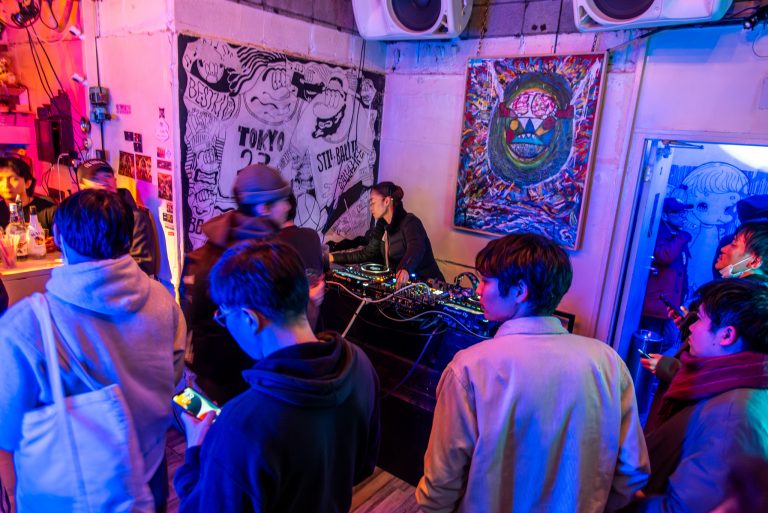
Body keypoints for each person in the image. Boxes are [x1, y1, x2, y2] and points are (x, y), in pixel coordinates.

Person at [416, 233, 649, 513]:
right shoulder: (609, 363)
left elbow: (441, 484)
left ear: (519, 291)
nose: (478, 291)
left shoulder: (469, 369)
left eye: (486, 281)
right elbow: (633, 471)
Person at [0, 189, 186, 512]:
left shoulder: (25, 325)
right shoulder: (163, 300)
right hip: (148, 471)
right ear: (128, 237)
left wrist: (14, 497)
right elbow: (175, 375)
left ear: (58, 238)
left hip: (71, 488)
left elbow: (7, 431)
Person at [174, 240, 380, 513]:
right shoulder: (360, 365)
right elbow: (362, 467)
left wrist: (195, 450)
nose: (225, 324)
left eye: (224, 317)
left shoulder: (242, 424)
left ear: (249, 319)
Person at [624, 279, 768, 513]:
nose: (691, 327)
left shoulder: (730, 417)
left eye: (699, 318)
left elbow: (683, 508)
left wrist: (624, 494)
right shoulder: (737, 383)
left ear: (726, 335)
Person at [182, 163, 295, 405]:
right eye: (282, 201)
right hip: (248, 389)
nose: (287, 207)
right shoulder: (264, 259)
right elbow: (278, 334)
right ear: (263, 208)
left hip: (207, 381)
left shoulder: (208, 251)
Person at [330, 181, 444, 288]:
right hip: (402, 286)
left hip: (428, 285)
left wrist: (405, 268)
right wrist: (333, 257)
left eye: (373, 202)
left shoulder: (410, 222)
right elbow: (366, 253)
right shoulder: (382, 226)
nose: (370, 207)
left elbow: (416, 248)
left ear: (387, 201)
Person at [77, 158, 160, 276]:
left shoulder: (135, 218)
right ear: (82, 187)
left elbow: (143, 267)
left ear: (115, 181)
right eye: (95, 179)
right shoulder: (81, 217)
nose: (104, 182)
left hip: (126, 284)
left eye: (107, 176)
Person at [641, 198, 692, 351]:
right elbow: (664, 256)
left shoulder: (676, 234)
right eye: (677, 212)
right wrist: (682, 237)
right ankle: (642, 366)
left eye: (683, 212)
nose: (682, 216)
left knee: (669, 339)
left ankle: (651, 365)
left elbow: (681, 267)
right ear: (664, 216)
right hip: (657, 302)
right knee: (651, 342)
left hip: (670, 303)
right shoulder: (660, 233)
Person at [0, 155, 56, 230]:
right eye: (0, 179)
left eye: (13, 179)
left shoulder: (49, 210)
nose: (6, 184)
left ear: (28, 183)